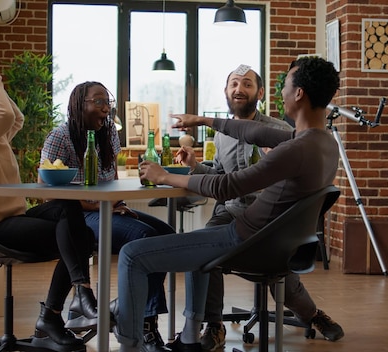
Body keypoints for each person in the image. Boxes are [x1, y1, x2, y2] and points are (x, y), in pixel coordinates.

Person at [113, 56, 341, 352]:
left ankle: (131, 346)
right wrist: (204, 120)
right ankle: (190, 339)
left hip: (247, 240)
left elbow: (228, 185)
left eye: (285, 86)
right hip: (269, 240)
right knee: (191, 242)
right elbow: (252, 132)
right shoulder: (323, 142)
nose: (281, 93)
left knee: (131, 255)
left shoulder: (296, 148)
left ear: (299, 93)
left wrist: (167, 176)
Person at [177, 65, 344, 350]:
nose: (238, 89)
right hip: (231, 210)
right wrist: (194, 166)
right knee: (203, 247)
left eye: (247, 84)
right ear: (226, 91)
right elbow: (221, 177)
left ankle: (313, 315)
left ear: (260, 92)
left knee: (286, 279)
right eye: (233, 83)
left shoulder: (283, 132)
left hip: (272, 216)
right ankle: (213, 325)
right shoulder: (221, 135)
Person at [0, 67, 97, 352]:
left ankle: (70, 302)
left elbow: (15, 118)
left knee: (72, 215)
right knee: (79, 237)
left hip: (11, 218)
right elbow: (5, 116)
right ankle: (65, 306)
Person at [40, 81, 176, 352]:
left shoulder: (109, 135)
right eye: (98, 102)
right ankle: (142, 326)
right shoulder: (60, 136)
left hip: (108, 209)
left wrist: (120, 204)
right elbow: (45, 189)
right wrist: (92, 206)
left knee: (167, 236)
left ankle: (130, 313)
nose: (106, 108)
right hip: (80, 216)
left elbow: (111, 177)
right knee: (147, 238)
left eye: (107, 102)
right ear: (81, 105)